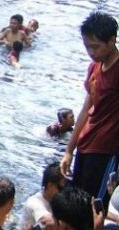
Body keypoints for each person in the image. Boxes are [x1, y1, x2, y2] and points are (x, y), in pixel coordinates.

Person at [60, 12, 119, 200]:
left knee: (94, 207)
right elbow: (86, 109)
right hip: (85, 146)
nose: (91, 53)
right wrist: (69, 150)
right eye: (87, 47)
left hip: (106, 151)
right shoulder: (94, 67)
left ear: (112, 41)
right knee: (76, 202)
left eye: (95, 47)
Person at [20, 163, 67, 230]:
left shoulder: (54, 200)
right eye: (60, 188)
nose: (63, 191)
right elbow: (51, 224)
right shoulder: (34, 203)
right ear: (50, 185)